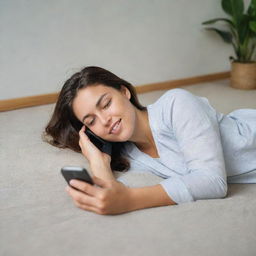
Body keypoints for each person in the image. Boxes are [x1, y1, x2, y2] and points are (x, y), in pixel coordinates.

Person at [43, 66, 256, 215]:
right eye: (91, 121)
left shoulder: (176, 104)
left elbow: (212, 182)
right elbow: (108, 194)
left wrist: (130, 200)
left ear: (124, 92)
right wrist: (98, 162)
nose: (105, 120)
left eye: (106, 104)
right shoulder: (127, 155)